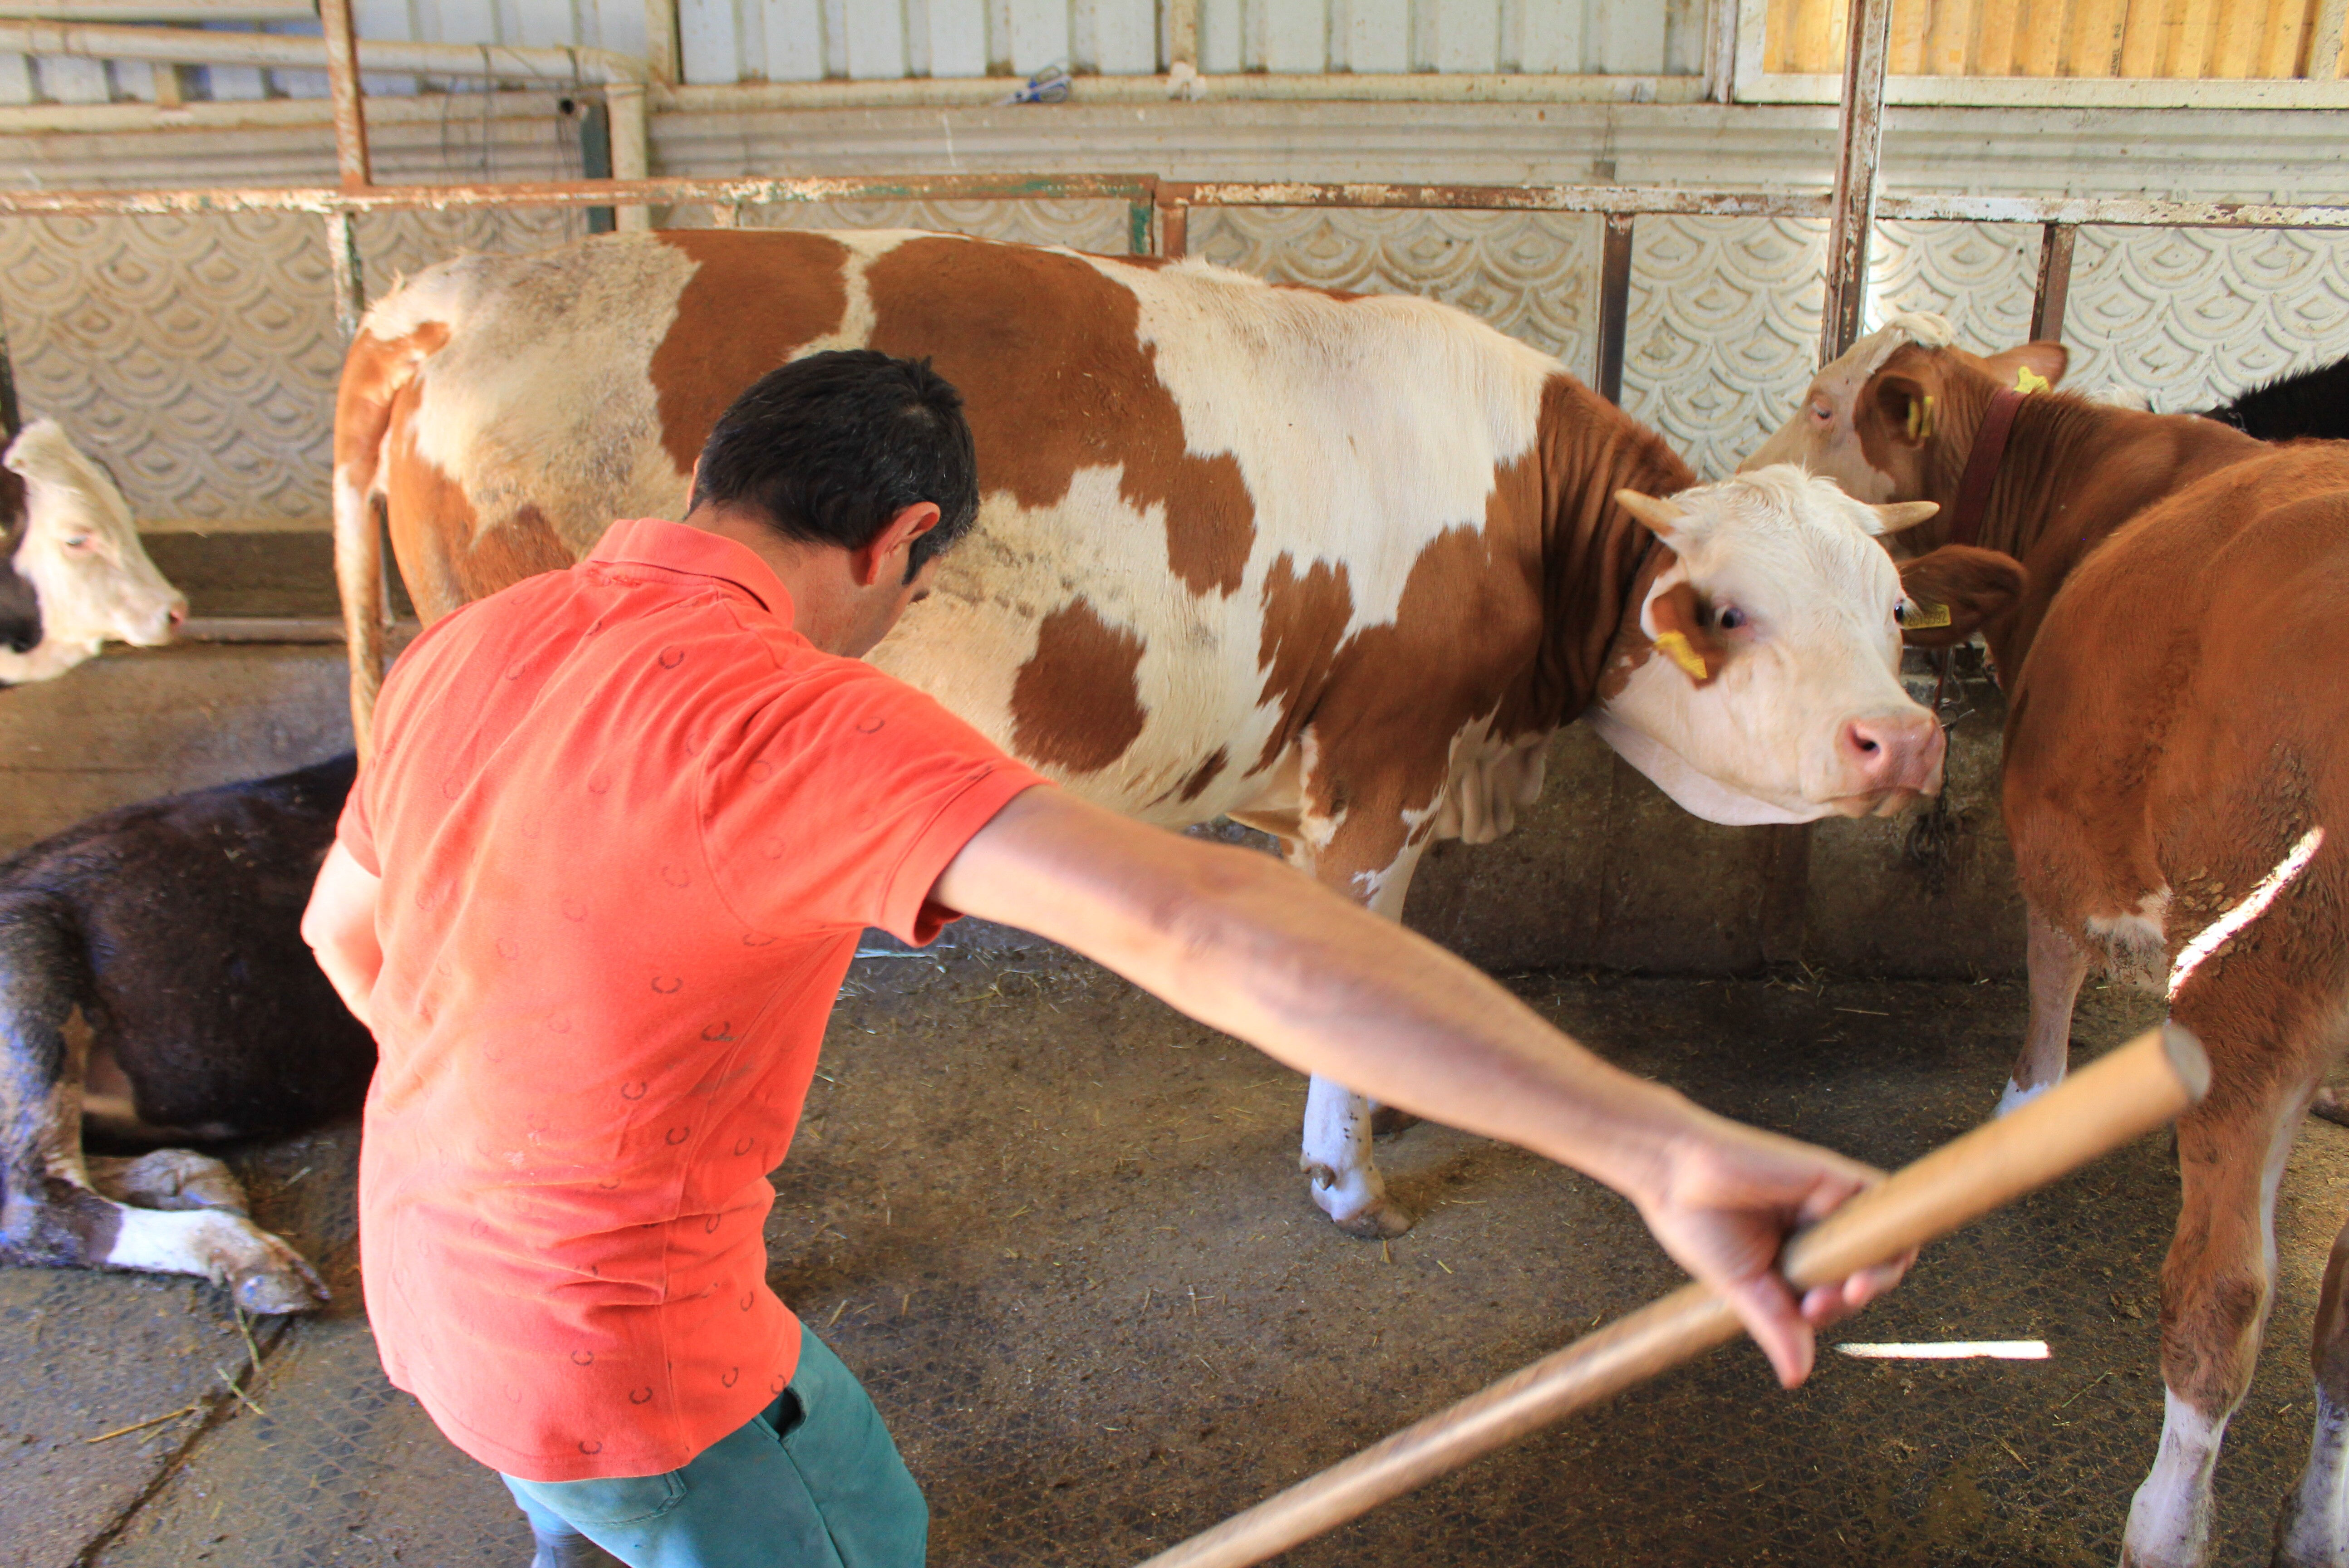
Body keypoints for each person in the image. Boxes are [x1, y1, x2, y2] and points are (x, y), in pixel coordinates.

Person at [302, 350, 1906, 1568]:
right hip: (629, 1360)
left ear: (716, 476)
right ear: (903, 542)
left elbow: (347, 935)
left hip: (430, 1302)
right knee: (854, 1517)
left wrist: (517, 1128)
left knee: (585, 1523)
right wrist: (1652, 1142)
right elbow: (1207, 917)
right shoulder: (796, 718)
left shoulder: (468, 648)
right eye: (921, 587)